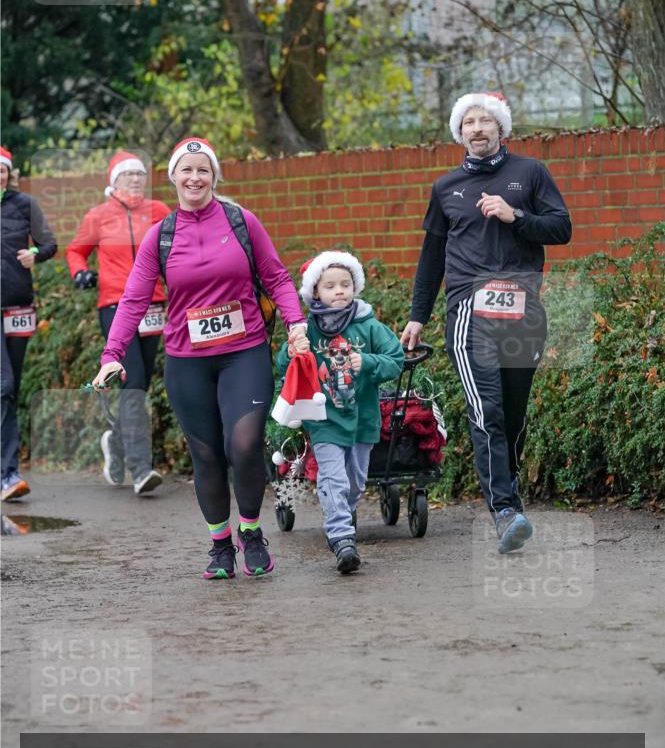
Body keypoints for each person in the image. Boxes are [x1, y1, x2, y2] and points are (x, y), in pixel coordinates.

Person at [92, 137, 308, 579]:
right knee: (207, 455)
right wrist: (112, 354)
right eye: (186, 170)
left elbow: (276, 277)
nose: (194, 178)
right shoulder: (161, 235)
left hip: (243, 352)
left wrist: (296, 323)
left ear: (214, 177)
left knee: (244, 445)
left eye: (203, 170)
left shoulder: (241, 221)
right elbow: (133, 299)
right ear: (173, 177)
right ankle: (220, 545)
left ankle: (251, 532)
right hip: (187, 361)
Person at [401, 93, 572, 553]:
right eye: (468, 123)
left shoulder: (530, 173)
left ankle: (508, 493)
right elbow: (431, 256)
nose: (477, 129)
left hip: (522, 311)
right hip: (468, 312)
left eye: (485, 121)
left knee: (513, 415)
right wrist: (418, 316)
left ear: (501, 128)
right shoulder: (446, 187)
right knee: (487, 410)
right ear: (460, 133)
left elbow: (562, 228)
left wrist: (516, 216)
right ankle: (505, 510)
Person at [278, 252, 404, 574]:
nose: (339, 291)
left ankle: (341, 517)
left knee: (355, 483)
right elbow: (282, 364)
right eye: (330, 286)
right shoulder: (307, 329)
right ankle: (341, 537)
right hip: (324, 419)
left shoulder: (369, 325)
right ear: (315, 292)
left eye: (345, 284)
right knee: (333, 477)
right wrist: (291, 351)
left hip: (363, 418)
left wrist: (369, 362)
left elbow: (395, 359)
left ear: (355, 287)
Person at [66, 152, 170, 495]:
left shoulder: (158, 211)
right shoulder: (98, 215)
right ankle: (140, 469)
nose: (137, 180)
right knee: (133, 379)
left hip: (152, 304)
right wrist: (80, 272)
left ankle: (116, 442)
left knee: (140, 382)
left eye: (140, 174)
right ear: (115, 181)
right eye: (129, 175)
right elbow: (75, 251)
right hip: (115, 304)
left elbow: (178, 242)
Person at [1, 146, 58, 501]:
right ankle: (8, 474)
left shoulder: (25, 204)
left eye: (2, 170)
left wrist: (33, 253)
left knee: (11, 389)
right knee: (3, 385)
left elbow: (49, 244)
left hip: (19, 305)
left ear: (9, 173)